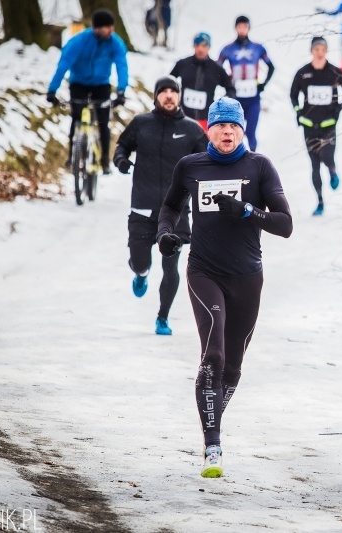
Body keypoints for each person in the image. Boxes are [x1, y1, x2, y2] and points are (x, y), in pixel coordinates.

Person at [156, 98, 293, 477]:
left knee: (233, 364)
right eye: (220, 126)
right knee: (213, 354)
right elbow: (169, 208)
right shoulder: (191, 166)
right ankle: (212, 442)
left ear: (242, 130)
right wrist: (165, 234)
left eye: (234, 126)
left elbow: (285, 224)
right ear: (209, 130)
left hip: (248, 276)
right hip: (204, 271)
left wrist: (247, 211)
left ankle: (211, 412)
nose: (227, 132)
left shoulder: (260, 167)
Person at [112, 76, 207, 335]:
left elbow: (208, 161)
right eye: (163, 91)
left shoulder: (192, 130)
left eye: (173, 91)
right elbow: (122, 146)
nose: (168, 95)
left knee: (171, 266)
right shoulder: (142, 124)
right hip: (142, 206)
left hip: (175, 212)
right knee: (140, 261)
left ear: (179, 96)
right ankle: (141, 274)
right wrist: (120, 160)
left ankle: (162, 317)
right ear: (156, 97)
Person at [47, 8, 128, 174]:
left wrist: (121, 91)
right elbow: (63, 65)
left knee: (103, 121)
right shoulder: (79, 41)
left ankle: (105, 160)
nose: (111, 30)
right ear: (97, 28)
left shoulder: (115, 42)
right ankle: (72, 156)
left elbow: (122, 65)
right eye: (107, 27)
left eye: (112, 27)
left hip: (101, 84)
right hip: (79, 83)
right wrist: (51, 90)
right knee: (76, 118)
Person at [290, 36, 342, 216]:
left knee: (326, 155)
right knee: (314, 164)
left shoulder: (334, 72)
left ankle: (332, 171)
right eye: (316, 49)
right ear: (312, 51)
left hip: (328, 124)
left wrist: (339, 107)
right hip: (309, 125)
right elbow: (293, 95)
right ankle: (320, 202)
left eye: (322, 49)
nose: (319, 52)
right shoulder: (303, 72)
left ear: (326, 51)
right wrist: (298, 111)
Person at [217, 15, 275, 151]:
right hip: (235, 98)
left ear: (248, 28)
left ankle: (254, 160)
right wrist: (227, 84)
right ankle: (235, 162)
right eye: (239, 27)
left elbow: (271, 67)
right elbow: (216, 70)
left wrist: (263, 85)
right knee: (236, 133)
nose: (242, 30)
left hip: (253, 98)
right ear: (236, 28)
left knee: (250, 132)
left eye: (245, 27)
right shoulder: (227, 49)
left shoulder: (258, 48)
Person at [170, 32, 236, 131]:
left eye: (204, 46)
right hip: (183, 118)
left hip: (206, 121)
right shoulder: (183, 64)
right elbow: (168, 82)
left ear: (209, 47)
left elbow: (230, 88)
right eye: (197, 45)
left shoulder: (216, 69)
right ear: (194, 46)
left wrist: (224, 102)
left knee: (202, 146)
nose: (200, 49)